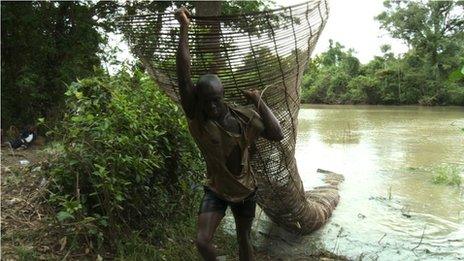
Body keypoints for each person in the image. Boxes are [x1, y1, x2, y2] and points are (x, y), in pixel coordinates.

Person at [175, 7, 284, 261]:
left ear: (222, 97)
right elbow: (183, 72)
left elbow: (277, 134)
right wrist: (184, 28)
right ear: (198, 101)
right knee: (202, 242)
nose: (212, 107)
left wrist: (258, 101)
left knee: (244, 240)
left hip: (246, 190)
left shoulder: (242, 117)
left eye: (216, 101)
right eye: (207, 102)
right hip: (216, 189)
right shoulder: (198, 116)